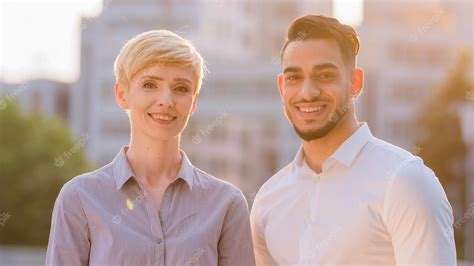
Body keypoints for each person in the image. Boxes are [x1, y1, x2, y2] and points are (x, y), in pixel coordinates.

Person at [250, 14, 456, 265]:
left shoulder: (405, 182)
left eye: (325, 75)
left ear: (355, 83)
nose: (307, 92)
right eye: (295, 78)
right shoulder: (267, 201)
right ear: (282, 87)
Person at [46, 30, 255, 266]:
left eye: (181, 88)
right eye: (149, 84)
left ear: (194, 102)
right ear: (122, 94)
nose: (166, 100)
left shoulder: (227, 204)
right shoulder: (79, 198)